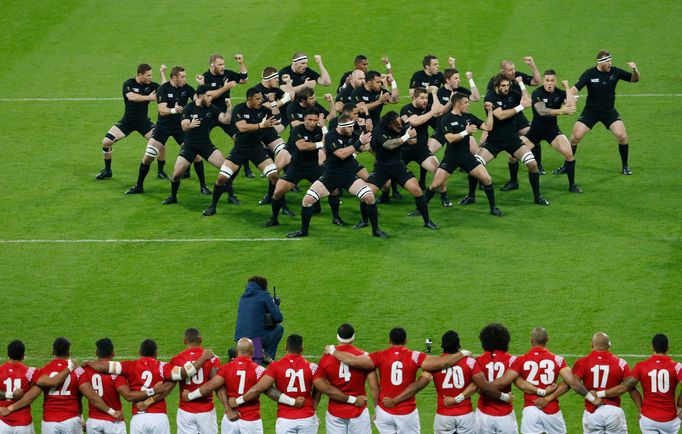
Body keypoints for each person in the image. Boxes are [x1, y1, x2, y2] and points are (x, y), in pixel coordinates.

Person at [326, 327, 471, 434]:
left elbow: (352, 361)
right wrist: (462, 353)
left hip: (385, 411)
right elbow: (442, 363)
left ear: (389, 341)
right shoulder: (415, 356)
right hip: (407, 413)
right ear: (406, 341)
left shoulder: (379, 356)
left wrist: (332, 350)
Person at [230, 334, 366, 434]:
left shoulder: (275, 367)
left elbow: (259, 388)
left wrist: (238, 400)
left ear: (285, 347)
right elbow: (326, 389)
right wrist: (352, 399)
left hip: (285, 420)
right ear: (302, 348)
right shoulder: (311, 367)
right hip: (307, 419)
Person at [285, 114, 389, 238]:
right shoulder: (330, 136)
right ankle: (304, 231)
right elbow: (341, 154)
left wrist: (364, 130)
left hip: (348, 175)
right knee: (307, 200)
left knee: (369, 197)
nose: (352, 129)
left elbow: (366, 147)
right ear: (342, 126)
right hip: (331, 176)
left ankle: (375, 230)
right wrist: (358, 142)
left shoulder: (352, 135)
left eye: (353, 126)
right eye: (350, 127)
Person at [82, 339, 213, 434]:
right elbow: (185, 373)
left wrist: (89, 363)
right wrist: (203, 358)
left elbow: (104, 366)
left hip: (138, 418)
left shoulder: (130, 366)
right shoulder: (162, 367)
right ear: (156, 354)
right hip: (159, 417)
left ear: (139, 352)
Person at [484, 327, 598, 434]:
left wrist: (483, 386)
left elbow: (503, 381)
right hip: (552, 410)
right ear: (547, 339)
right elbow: (574, 383)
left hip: (530, 410)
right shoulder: (557, 360)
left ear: (531, 340)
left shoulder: (521, 360)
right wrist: (592, 398)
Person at [3, 338, 120, 434]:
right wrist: (111, 412)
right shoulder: (78, 371)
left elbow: (30, 397)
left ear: (52, 352)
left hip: (49, 422)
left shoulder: (44, 371)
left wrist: (10, 408)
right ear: (68, 352)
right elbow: (92, 397)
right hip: (71, 420)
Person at [182, 338, 296, 434]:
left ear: (237, 351)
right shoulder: (258, 370)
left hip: (230, 420)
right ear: (253, 351)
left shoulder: (226, 368)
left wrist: (190, 396)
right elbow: (270, 392)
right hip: (251, 421)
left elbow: (210, 386)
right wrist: (292, 402)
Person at [126, 66, 207, 195]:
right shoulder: (163, 89)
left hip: (180, 127)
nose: (185, 79)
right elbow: (162, 110)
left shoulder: (187, 88)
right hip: (163, 127)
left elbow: (200, 102)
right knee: (148, 158)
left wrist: (202, 86)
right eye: (183, 77)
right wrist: (175, 110)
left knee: (196, 156)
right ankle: (139, 186)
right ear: (174, 78)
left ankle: (203, 186)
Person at [201, 87, 281, 217]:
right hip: (240, 148)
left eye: (261, 98)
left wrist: (273, 105)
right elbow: (242, 127)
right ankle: (212, 207)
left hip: (256, 148)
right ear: (249, 99)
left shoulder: (264, 111)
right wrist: (261, 125)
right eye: (258, 99)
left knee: (274, 177)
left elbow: (277, 119)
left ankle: (281, 208)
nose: (260, 101)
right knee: (222, 178)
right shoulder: (239, 109)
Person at [380, 330, 479, 434]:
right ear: (459, 345)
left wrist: (396, 399)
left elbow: (418, 385)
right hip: (466, 415)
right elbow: (477, 384)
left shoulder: (435, 365)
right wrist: (458, 399)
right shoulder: (470, 362)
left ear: (442, 345)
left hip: (444, 416)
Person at [558, 50, 640, 175]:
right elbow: (575, 88)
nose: (610, 63)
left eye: (610, 60)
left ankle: (625, 166)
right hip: (591, 112)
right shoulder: (589, 74)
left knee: (622, 137)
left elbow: (634, 80)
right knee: (575, 138)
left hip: (609, 112)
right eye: (607, 61)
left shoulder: (615, 72)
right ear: (600, 62)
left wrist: (635, 70)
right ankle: (566, 165)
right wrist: (567, 98)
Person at [263, 108, 344, 228]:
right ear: (304, 120)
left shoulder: (319, 129)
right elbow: (302, 146)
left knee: (334, 190)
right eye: (309, 120)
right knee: (278, 192)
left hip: (313, 167)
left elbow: (329, 142)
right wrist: (320, 144)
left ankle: (336, 217)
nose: (312, 123)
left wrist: (323, 128)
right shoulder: (297, 130)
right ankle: (274, 218)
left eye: (315, 120)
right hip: (296, 167)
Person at [425, 93, 503, 216]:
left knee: (487, 179)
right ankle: (421, 209)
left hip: (466, 157)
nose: (468, 104)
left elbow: (488, 127)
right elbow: (450, 138)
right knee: (435, 184)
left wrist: (489, 112)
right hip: (451, 157)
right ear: (457, 104)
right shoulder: (446, 119)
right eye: (466, 102)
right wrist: (465, 132)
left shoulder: (468, 117)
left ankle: (493, 208)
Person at [478, 75, 549, 205]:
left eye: (508, 85)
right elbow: (500, 115)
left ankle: (537, 197)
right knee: (476, 164)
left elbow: (527, 100)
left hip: (512, 139)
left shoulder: (512, 93)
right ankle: (471, 196)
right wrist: (520, 107)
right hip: (495, 139)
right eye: (503, 86)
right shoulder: (490, 98)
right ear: (496, 87)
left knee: (533, 165)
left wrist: (522, 85)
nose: (506, 88)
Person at [363, 111, 439, 230]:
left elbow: (413, 141)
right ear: (389, 125)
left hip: (398, 166)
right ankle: (364, 221)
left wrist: (412, 133)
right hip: (381, 168)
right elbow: (388, 145)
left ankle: (427, 221)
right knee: (366, 194)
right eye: (396, 124)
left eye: (400, 123)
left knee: (417, 191)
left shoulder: (401, 128)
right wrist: (406, 136)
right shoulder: (379, 130)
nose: (400, 126)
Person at [160, 85, 231, 205]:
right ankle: (173, 196)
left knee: (226, 170)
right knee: (176, 175)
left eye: (211, 96)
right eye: (208, 96)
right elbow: (184, 126)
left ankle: (231, 195)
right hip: (190, 146)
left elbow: (226, 120)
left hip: (206, 145)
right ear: (199, 96)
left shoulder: (212, 108)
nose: (210, 99)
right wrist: (190, 125)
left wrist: (229, 108)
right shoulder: (188, 108)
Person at [599, 334, 681, 434]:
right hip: (670, 420)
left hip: (648, 419)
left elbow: (626, 386)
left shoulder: (641, 366)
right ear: (668, 348)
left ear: (652, 347)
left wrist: (640, 407)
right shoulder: (677, 367)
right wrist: (680, 406)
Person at [96, 64, 165, 180]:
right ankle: (107, 171)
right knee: (106, 142)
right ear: (140, 74)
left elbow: (165, 89)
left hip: (144, 122)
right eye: (148, 75)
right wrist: (148, 98)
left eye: (151, 75)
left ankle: (161, 171)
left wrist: (162, 73)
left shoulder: (151, 85)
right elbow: (131, 97)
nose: (150, 78)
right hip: (127, 121)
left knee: (161, 143)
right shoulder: (129, 83)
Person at [525, 70, 582, 193]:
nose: (549, 83)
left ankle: (572, 185)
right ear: (544, 81)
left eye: (552, 80)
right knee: (513, 156)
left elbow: (572, 107)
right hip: (535, 131)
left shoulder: (559, 93)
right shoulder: (537, 93)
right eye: (547, 80)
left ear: (555, 81)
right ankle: (513, 182)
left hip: (552, 131)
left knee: (569, 154)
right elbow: (542, 111)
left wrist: (567, 88)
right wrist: (561, 111)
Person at [315, 324, 378, 434]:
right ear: (353, 337)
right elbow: (374, 388)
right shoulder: (365, 357)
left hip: (335, 412)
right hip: (359, 411)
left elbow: (318, 387)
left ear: (337, 336)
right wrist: (378, 410)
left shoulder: (326, 358)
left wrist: (313, 411)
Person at [571, 332, 637, 434]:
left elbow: (574, 384)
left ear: (591, 345)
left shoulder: (582, 362)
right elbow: (629, 384)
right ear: (609, 345)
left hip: (592, 411)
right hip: (614, 411)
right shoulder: (620, 362)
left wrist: (592, 397)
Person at [77, 338, 146, 434]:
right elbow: (128, 395)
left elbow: (76, 397)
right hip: (114, 422)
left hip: (93, 422)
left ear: (96, 352)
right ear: (113, 353)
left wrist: (80, 419)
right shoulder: (116, 373)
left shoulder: (85, 371)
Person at [200, 53, 252, 178]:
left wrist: (241, 63)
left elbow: (244, 79)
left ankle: (246, 168)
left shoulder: (227, 74)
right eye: (220, 65)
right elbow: (209, 96)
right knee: (198, 139)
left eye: (223, 64)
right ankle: (188, 166)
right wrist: (225, 88)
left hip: (226, 114)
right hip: (210, 114)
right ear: (212, 65)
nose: (223, 67)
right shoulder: (205, 78)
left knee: (239, 139)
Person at [469, 324, 519, 434]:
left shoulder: (478, 361)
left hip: (483, 413)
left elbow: (475, 386)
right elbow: (520, 383)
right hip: (505, 414)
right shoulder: (512, 360)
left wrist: (484, 388)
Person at [170, 329, 221, 434]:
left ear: (185, 341)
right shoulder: (212, 358)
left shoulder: (177, 359)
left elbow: (170, 383)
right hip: (206, 410)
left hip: (185, 411)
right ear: (200, 339)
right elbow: (216, 383)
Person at [234, 276, 284, 362]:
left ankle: (239, 354)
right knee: (279, 329)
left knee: (252, 358)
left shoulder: (243, 297)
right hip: (255, 341)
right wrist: (276, 305)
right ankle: (267, 357)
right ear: (263, 286)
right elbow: (278, 318)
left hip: (239, 341)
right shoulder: (264, 295)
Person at [0, 340, 38, 434]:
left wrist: (9, 395)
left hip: (3, 422)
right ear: (23, 356)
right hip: (23, 423)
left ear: (8, 354)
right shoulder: (30, 372)